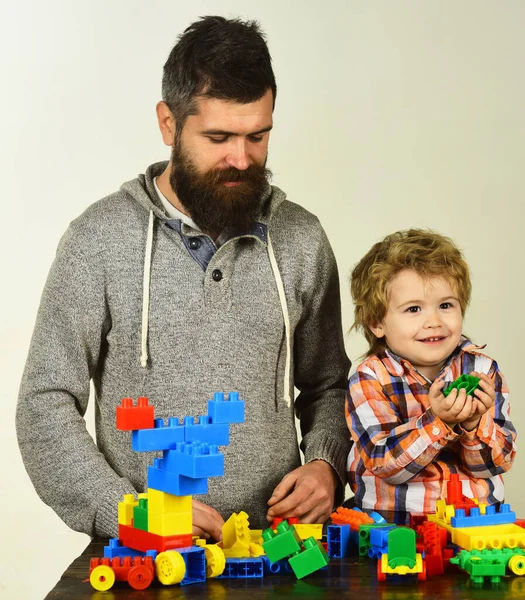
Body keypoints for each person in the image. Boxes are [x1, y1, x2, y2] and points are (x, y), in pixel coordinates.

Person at [16, 16, 351, 541]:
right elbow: (44, 403)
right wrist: (122, 509)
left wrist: (327, 465)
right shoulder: (98, 239)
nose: (241, 158)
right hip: (141, 549)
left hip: (276, 547)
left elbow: (329, 385)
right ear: (169, 124)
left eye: (258, 136)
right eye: (218, 136)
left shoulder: (301, 238)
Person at [346, 229, 516, 523]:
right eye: (413, 309)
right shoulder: (370, 378)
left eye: (446, 305)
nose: (434, 322)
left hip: (475, 521)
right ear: (377, 323)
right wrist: (440, 422)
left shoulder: (483, 370)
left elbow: (493, 465)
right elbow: (385, 464)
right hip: (394, 525)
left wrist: (475, 423)